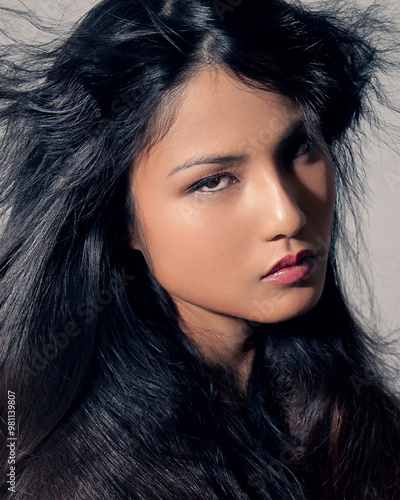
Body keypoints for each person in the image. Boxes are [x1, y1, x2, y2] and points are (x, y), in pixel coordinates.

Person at [0, 0, 399, 498]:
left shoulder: (357, 422)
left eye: (299, 147)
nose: (288, 215)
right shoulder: (73, 480)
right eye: (213, 181)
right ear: (123, 220)